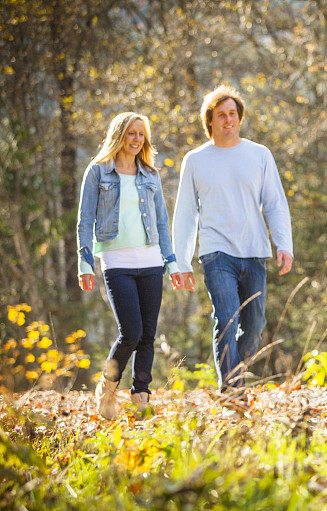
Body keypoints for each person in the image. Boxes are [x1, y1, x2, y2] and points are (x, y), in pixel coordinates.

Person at [172, 84, 293, 395]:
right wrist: (180, 261)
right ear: (209, 120)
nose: (228, 120)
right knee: (226, 319)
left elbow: (275, 202)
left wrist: (284, 245)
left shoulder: (259, 154)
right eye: (221, 115)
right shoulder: (196, 160)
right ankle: (232, 390)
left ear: (240, 118)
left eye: (232, 114)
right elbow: (185, 213)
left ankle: (236, 376)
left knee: (254, 325)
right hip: (215, 253)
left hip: (254, 252)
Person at [76, 112, 182, 420]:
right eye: (131, 133)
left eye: (141, 134)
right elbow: (85, 220)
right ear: (119, 134)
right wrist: (84, 264)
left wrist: (171, 261)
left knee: (148, 334)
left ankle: (141, 396)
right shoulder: (98, 172)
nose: (136, 139)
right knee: (131, 332)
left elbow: (162, 221)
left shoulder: (149, 174)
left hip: (151, 261)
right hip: (116, 261)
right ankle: (108, 387)